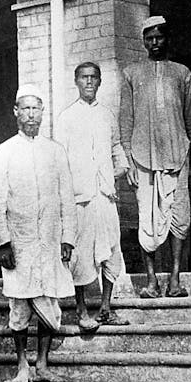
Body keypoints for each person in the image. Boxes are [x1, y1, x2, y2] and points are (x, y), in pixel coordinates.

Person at [0, 85, 77, 382]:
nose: (30, 114)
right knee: (20, 305)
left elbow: (67, 197)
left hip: (50, 242)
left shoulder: (55, 151)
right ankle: (22, 366)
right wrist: (3, 243)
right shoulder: (3, 152)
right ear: (15, 111)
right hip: (19, 242)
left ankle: (42, 363)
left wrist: (68, 238)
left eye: (35, 108)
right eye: (24, 108)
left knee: (49, 304)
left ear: (42, 112)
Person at [120, 15, 191, 298]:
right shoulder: (131, 74)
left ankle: (175, 279)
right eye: (149, 38)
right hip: (142, 159)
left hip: (178, 156)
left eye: (159, 37)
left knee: (179, 217)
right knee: (148, 218)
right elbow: (126, 121)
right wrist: (127, 162)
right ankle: (152, 281)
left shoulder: (182, 73)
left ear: (167, 39)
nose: (154, 43)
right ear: (143, 41)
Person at [57, 61, 130, 331]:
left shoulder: (107, 115)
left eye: (94, 78)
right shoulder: (66, 118)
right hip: (80, 199)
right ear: (76, 82)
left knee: (111, 249)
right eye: (84, 78)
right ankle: (80, 309)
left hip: (105, 197)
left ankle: (106, 308)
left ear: (100, 82)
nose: (89, 82)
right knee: (81, 255)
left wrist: (119, 171)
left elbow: (116, 148)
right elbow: (60, 160)